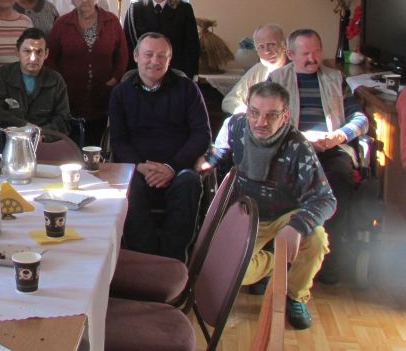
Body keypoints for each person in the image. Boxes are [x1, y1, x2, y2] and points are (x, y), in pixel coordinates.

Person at [208, 81, 336, 330]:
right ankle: (275, 266)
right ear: (247, 109)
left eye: (271, 115)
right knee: (234, 273)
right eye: (254, 112)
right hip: (245, 214)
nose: (261, 122)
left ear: (285, 115)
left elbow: (326, 199)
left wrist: (296, 227)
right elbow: (218, 152)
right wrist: (200, 165)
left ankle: (295, 296)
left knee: (317, 239)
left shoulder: (298, 146)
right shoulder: (235, 125)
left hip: (285, 215)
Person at [269, 28, 369, 284]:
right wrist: (302, 138)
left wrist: (340, 135)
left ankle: (327, 261)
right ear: (290, 54)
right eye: (305, 54)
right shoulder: (276, 79)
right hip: (291, 147)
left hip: (332, 147)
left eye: (316, 52)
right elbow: (266, 121)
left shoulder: (335, 78)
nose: (312, 59)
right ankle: (279, 258)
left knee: (339, 180)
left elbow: (360, 119)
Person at [109, 33, 211, 262]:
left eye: (161, 56)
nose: (154, 61)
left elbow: (202, 135)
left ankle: (173, 260)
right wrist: (140, 166)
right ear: (136, 56)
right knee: (128, 186)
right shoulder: (121, 93)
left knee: (190, 182)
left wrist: (171, 167)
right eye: (148, 54)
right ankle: (144, 260)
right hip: (138, 170)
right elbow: (118, 140)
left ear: (169, 59)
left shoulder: (187, 89)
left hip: (179, 168)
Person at [47, 0, 127, 146]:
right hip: (69, 97)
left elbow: (122, 55)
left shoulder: (111, 21)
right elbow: (51, 58)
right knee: (71, 145)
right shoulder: (62, 23)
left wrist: (115, 78)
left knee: (95, 145)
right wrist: (61, 83)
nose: (85, 0)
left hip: (102, 95)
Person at [0, 27, 70, 138]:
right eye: (27, 51)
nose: (33, 58)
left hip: (45, 141)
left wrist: (41, 134)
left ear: (46, 54)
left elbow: (63, 120)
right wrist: (24, 126)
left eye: (39, 52)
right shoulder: (4, 75)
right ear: (17, 52)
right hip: (9, 139)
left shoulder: (56, 80)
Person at [123, 0, 200, 78]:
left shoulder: (184, 9)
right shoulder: (135, 9)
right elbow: (128, 45)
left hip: (175, 73)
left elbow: (192, 45)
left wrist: (190, 76)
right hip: (143, 74)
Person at [222, 23, 288, 114]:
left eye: (272, 45)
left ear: (284, 45)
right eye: (261, 47)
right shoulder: (258, 69)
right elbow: (229, 101)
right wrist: (250, 112)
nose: (267, 51)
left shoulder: (294, 70)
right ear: (256, 50)